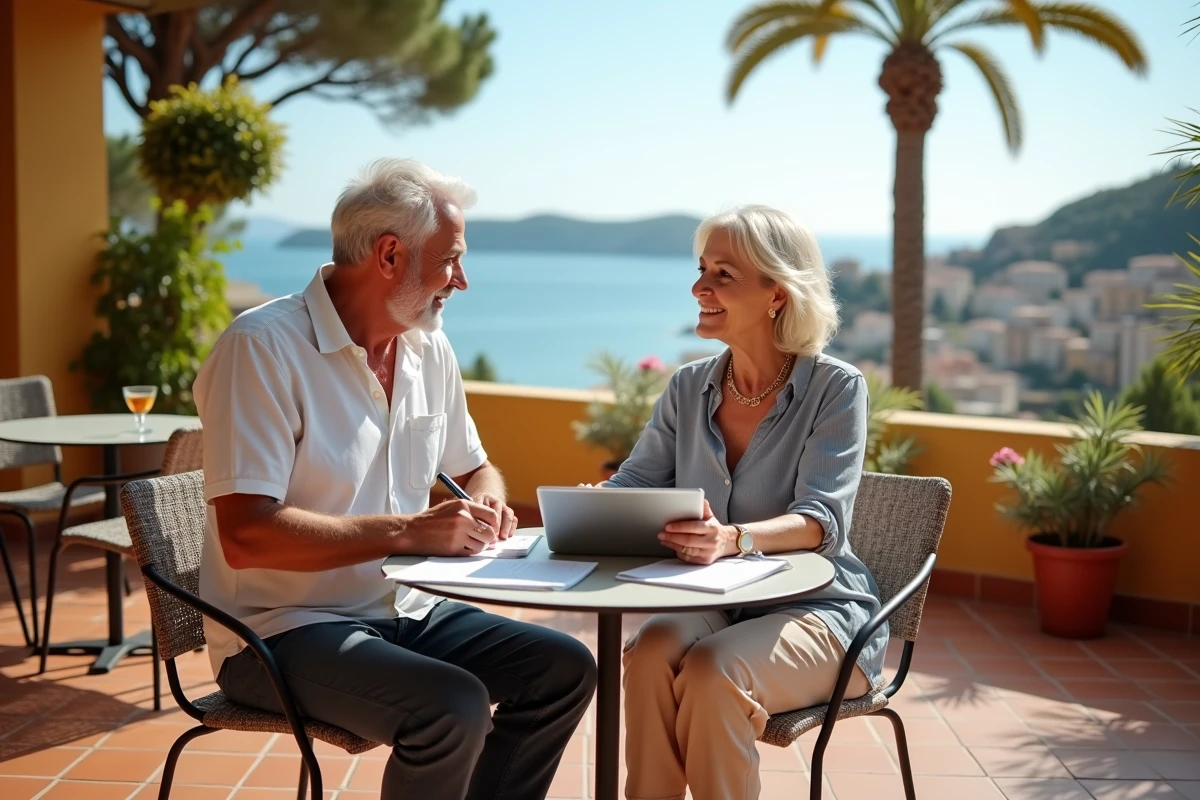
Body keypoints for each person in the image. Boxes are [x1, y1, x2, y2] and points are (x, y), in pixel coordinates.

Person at [193, 158, 597, 800]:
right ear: (388, 255)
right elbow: (247, 536)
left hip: (401, 608)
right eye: (450, 260)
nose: (461, 281)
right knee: (453, 705)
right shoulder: (262, 348)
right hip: (277, 630)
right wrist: (410, 531)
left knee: (565, 668)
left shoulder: (426, 347)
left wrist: (486, 499)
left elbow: (474, 466)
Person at [606, 205, 886, 800]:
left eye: (723, 275)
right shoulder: (688, 386)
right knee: (652, 651)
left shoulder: (836, 389)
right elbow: (634, 483)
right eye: (701, 269)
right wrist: (591, 507)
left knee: (713, 671)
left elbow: (822, 521)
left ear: (776, 294)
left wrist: (735, 539)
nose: (699, 287)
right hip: (721, 602)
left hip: (820, 613)